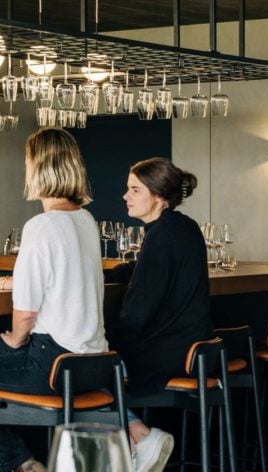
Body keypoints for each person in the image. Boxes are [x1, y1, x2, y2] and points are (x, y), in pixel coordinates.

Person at [0, 128, 106, 472]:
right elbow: (58, 282)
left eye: (27, 161)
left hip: (51, 361)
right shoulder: (85, 220)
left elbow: (26, 312)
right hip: (90, 361)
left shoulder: (42, 225)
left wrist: (14, 338)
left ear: (38, 167)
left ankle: (21, 464)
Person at [103, 157, 213, 472]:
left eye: (135, 190)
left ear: (159, 196)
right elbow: (145, 270)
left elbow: (138, 312)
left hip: (167, 355)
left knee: (89, 366)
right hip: (194, 349)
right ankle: (135, 441)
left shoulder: (161, 236)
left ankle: (140, 437)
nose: (125, 196)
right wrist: (110, 273)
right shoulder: (182, 226)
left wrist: (105, 343)